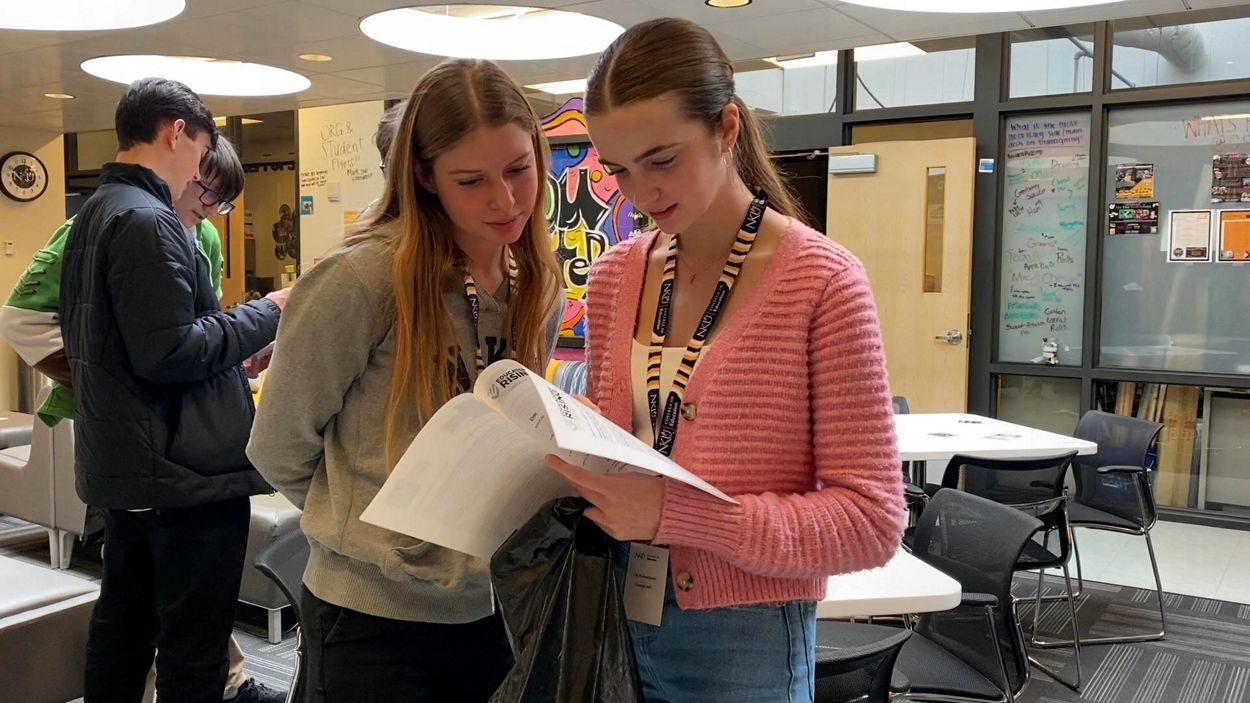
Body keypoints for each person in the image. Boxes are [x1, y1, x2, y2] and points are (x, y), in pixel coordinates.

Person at [545, 18, 906, 703]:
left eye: (661, 160)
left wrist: (680, 515)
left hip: (745, 632)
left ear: (727, 128)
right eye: (618, 170)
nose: (641, 193)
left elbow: (871, 522)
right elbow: (627, 436)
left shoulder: (823, 282)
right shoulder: (615, 276)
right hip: (612, 598)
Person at [246, 59, 563, 703]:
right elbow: (278, 445)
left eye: (518, 169)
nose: (505, 201)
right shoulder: (363, 279)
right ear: (424, 176)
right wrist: (374, 527)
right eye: (471, 180)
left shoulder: (537, 285)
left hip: (494, 604)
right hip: (370, 615)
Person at [0, 135, 284, 703]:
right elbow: (23, 319)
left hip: (164, 449)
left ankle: (229, 679)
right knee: (165, 624)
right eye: (206, 191)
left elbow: (194, 335)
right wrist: (107, 383)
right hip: (153, 453)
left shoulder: (194, 232)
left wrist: (235, 347)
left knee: (144, 612)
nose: (210, 209)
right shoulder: (123, 223)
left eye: (222, 201)